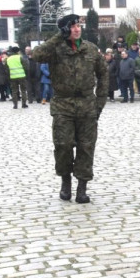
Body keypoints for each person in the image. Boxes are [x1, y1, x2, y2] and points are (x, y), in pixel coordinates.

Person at [32, 14, 108, 204]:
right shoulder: (55, 49)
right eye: (72, 26)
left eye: (78, 26)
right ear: (65, 30)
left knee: (86, 147)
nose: (77, 29)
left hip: (87, 105)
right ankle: (65, 181)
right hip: (63, 105)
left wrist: (100, 102)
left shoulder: (90, 49)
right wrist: (59, 36)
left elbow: (103, 74)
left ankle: (82, 188)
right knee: (63, 145)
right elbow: (36, 55)